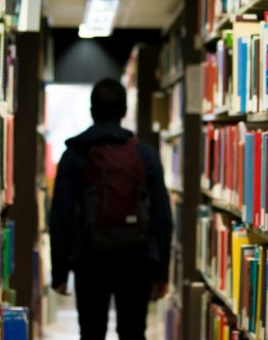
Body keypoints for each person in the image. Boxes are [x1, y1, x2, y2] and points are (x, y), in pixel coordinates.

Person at [49, 78, 173, 340]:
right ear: (124, 111)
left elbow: (61, 216)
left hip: (89, 259)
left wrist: (60, 271)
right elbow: (162, 216)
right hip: (137, 259)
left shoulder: (74, 154)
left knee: (92, 332)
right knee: (132, 332)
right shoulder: (145, 154)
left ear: (92, 110)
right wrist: (161, 272)